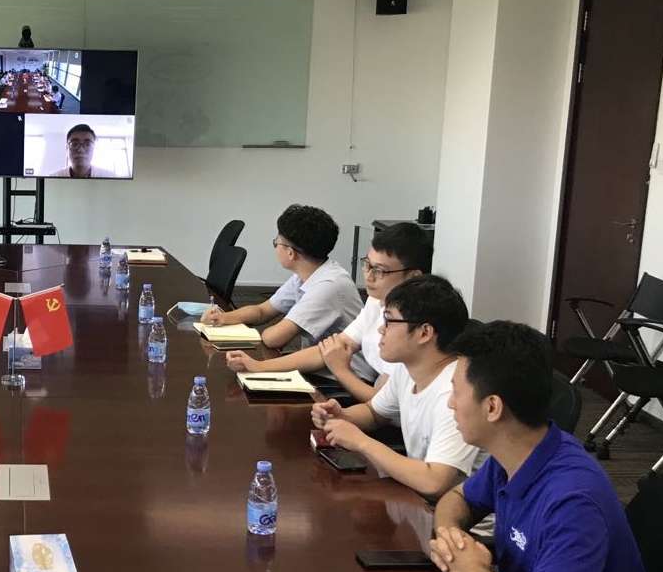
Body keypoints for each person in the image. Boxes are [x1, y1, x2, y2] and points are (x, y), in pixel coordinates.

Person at [431, 320, 648, 572]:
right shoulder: (516, 451)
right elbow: (457, 499)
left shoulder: (572, 499)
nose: (450, 404)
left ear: (492, 408)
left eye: (456, 391)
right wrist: (451, 538)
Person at [310, 275, 485, 501]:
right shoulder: (408, 369)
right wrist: (341, 416)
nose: (380, 330)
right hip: (416, 499)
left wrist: (362, 442)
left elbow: (434, 482)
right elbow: (374, 413)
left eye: (389, 322)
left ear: (424, 333)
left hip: (457, 515)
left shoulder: (455, 392)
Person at [226, 221, 431, 402]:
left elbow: (383, 407)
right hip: (355, 388)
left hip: (357, 387)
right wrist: (257, 366)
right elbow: (327, 350)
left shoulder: (414, 328)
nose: (368, 276)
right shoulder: (375, 302)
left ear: (413, 276)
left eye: (380, 270)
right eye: (367, 264)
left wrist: (340, 370)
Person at [203, 204, 363, 350]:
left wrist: (264, 332)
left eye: (276, 243)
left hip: (343, 371)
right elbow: (262, 311)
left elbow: (273, 339)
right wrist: (222, 317)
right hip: (321, 363)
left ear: (290, 253)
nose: (275, 247)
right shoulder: (306, 274)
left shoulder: (329, 285)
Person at [48, 124, 116, 178]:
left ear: (94, 148)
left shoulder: (110, 177)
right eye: (74, 144)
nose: (81, 150)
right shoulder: (53, 178)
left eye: (88, 144)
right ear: (67, 149)